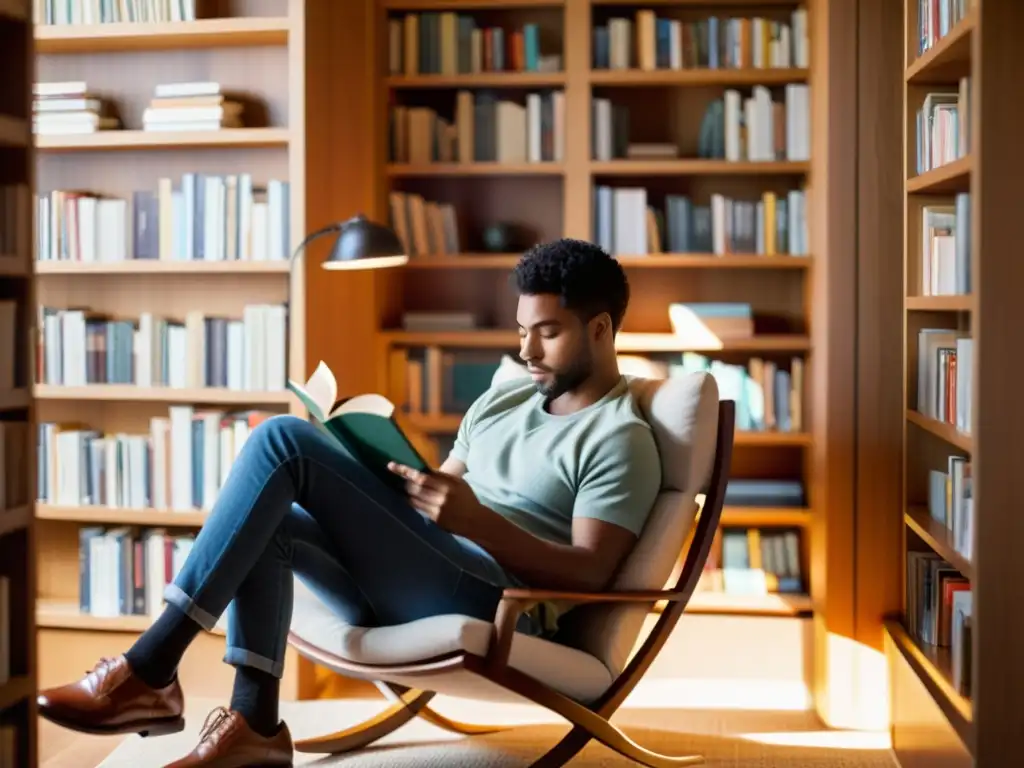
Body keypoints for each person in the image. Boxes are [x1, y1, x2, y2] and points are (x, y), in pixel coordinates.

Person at [36, 238, 662, 767]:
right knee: (268, 516)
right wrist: (391, 480)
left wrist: (475, 522)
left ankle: (150, 667)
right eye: (523, 331)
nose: (526, 352)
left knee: (283, 440)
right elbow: (437, 501)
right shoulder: (503, 400)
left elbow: (593, 571)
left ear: (601, 328)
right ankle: (255, 725)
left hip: (496, 598)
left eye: (547, 334)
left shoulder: (620, 437)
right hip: (429, 569)